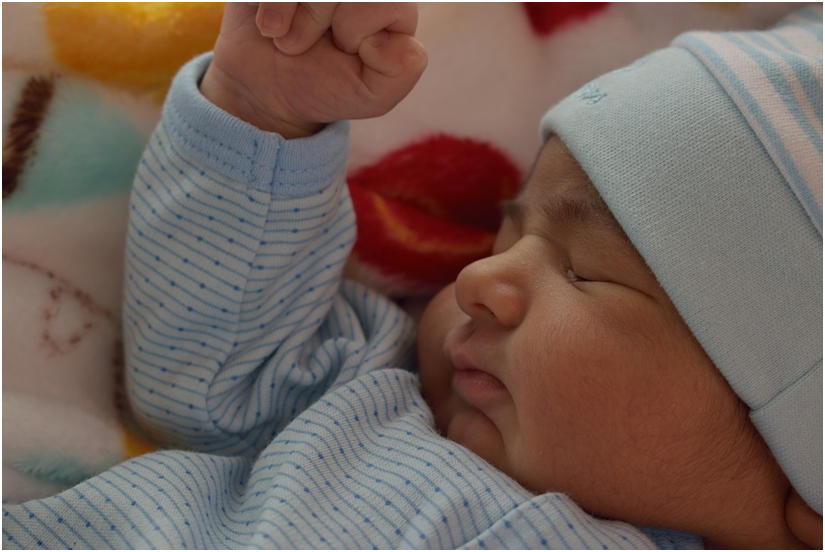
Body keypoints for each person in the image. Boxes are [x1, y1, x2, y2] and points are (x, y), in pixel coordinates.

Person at [2, 2, 821, 549]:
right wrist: (266, 108)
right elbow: (212, 382)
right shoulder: (378, 397)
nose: (481, 279)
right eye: (509, 230)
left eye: (582, 273)